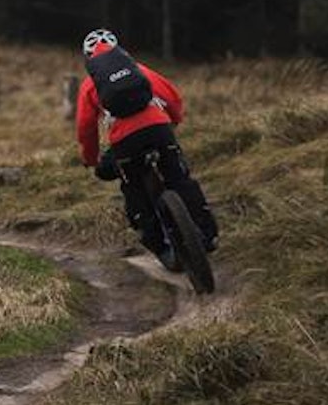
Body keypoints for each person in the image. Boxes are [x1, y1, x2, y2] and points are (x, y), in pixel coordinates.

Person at [74, 28, 219, 270]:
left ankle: (161, 247)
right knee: (179, 179)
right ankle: (207, 234)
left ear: (88, 58)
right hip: (159, 129)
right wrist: (173, 120)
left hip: (125, 141)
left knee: (135, 192)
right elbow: (173, 98)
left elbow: (85, 127)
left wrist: (91, 158)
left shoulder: (90, 84)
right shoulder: (139, 70)